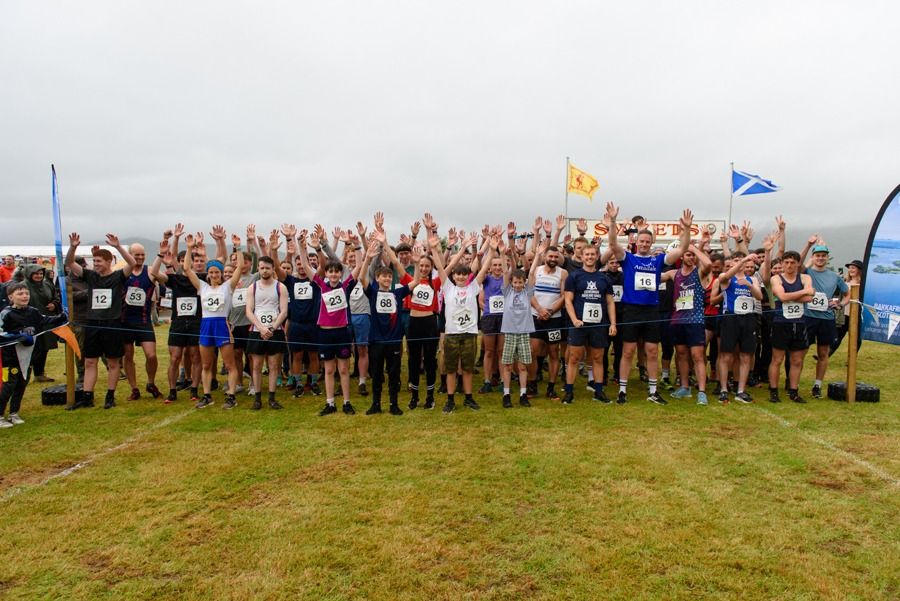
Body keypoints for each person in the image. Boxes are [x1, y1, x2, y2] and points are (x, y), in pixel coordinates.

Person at [606, 203, 693, 405]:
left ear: (651, 243)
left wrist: (687, 230)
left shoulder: (658, 260)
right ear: (636, 242)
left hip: (651, 310)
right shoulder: (628, 258)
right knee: (628, 351)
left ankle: (653, 391)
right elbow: (612, 244)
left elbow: (681, 250)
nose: (644, 244)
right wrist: (612, 221)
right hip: (631, 310)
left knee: (652, 351)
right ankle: (622, 390)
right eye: (641, 241)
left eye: (647, 242)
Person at [297, 228, 368, 416]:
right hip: (325, 333)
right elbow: (305, 265)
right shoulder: (320, 285)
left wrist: (357, 246)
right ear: (326, 273)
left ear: (340, 273)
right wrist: (301, 246)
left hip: (342, 332)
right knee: (328, 370)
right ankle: (330, 403)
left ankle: (346, 402)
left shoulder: (346, 285)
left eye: (337, 272)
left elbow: (359, 267)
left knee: (343, 369)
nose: (335, 275)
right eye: (331, 272)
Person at [64, 233, 137, 409]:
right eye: (94, 261)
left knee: (113, 362)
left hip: (112, 323)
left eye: (99, 261)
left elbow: (133, 264)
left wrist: (118, 247)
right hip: (93, 323)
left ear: (108, 262)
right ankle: (88, 396)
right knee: (90, 361)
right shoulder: (91, 276)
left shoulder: (118, 277)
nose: (95, 264)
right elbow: (70, 264)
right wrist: (73, 247)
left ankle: (110, 396)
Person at [181, 232, 245, 409]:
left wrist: (238, 247)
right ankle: (207, 395)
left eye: (217, 272)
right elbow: (187, 269)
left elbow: (239, 268)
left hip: (221, 326)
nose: (214, 274)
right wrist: (188, 248)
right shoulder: (202, 287)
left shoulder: (227, 287)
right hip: (206, 326)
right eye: (211, 272)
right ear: (207, 274)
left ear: (221, 273)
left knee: (230, 364)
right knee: (207, 364)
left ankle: (231, 396)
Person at [435, 232, 493, 413]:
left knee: (467, 368)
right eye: (457, 275)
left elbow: (483, 270)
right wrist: (458, 249)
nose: (460, 277)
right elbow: (439, 265)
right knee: (451, 369)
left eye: (463, 275)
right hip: (452, 334)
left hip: (469, 334)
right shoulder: (448, 287)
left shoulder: (473, 287)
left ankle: (469, 398)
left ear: (467, 276)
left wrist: (492, 249)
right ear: (453, 275)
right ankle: (450, 399)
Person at [0, 282, 69, 427]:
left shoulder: (32, 311)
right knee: (8, 386)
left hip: (27, 356)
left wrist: (61, 317)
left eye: (26, 293)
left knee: (21, 384)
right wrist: (19, 337)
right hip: (10, 358)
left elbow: (44, 320)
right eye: (20, 294)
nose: (24, 296)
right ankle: (0, 415)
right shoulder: (6, 314)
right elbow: (1, 334)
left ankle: (14, 413)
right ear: (11, 297)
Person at [362, 227, 412, 415]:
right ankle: (376, 404)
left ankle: (393, 404)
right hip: (376, 340)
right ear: (377, 278)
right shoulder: (373, 292)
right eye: (384, 276)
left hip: (394, 341)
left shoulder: (397, 293)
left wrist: (388, 246)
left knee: (394, 374)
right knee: (376, 374)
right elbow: (361, 278)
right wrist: (367, 258)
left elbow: (412, 282)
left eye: (389, 276)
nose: (387, 278)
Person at [150, 228, 203, 404]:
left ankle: (194, 388)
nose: (190, 263)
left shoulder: (201, 280)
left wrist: (194, 249)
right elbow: (155, 274)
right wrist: (161, 254)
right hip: (178, 324)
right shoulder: (175, 280)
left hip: (196, 324)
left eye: (195, 261)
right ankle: (172, 390)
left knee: (196, 355)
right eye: (186, 261)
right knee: (175, 357)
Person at [271, 225, 322, 398]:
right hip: (296, 324)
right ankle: (299, 383)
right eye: (298, 263)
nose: (301, 266)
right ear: (295, 265)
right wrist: (274, 249)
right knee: (297, 356)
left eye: (304, 263)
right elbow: (276, 268)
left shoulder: (315, 281)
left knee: (314, 355)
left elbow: (324, 265)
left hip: (313, 324)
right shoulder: (290, 281)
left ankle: (313, 383)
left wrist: (314, 247)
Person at [563, 243, 617, 404]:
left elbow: (610, 303)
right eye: (587, 254)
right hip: (579, 323)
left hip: (599, 324)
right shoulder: (574, 276)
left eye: (593, 254)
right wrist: (574, 320)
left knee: (598, 357)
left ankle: (598, 391)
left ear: (597, 256)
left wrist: (612, 323)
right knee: (574, 357)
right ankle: (569, 392)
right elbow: (568, 300)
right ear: (582, 256)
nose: (590, 257)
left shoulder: (604, 278)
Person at [663, 239, 712, 405]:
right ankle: (684, 387)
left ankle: (702, 391)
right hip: (677, 321)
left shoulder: (699, 272)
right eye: (688, 254)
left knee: (697, 356)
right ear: (681, 256)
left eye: (693, 255)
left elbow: (708, 264)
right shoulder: (673, 274)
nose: (691, 257)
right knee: (682, 354)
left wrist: (696, 249)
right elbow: (655, 278)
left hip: (695, 320)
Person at [800, 243, 850, 398]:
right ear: (813, 258)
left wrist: (840, 304)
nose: (820, 258)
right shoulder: (806, 272)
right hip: (808, 317)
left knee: (823, 353)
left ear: (827, 258)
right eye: (817, 256)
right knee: (801, 352)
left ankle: (817, 386)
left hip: (827, 318)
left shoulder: (835, 276)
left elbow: (847, 294)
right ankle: (793, 383)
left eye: (823, 256)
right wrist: (809, 245)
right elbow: (799, 264)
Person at [405, 213, 443, 410]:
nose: (425, 268)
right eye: (422, 266)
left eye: (428, 266)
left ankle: (430, 396)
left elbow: (445, 265)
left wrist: (433, 242)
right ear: (417, 266)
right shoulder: (410, 282)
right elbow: (396, 262)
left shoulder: (435, 281)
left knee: (429, 360)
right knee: (413, 361)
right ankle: (414, 397)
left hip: (429, 324)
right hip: (413, 324)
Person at [768, 250, 815, 403]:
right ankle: (773, 391)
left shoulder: (805, 277)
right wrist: (803, 292)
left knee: (797, 360)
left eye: (792, 262)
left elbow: (809, 298)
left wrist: (794, 296)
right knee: (777, 359)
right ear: (782, 264)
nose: (789, 265)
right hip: (781, 322)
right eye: (786, 262)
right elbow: (781, 297)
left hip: (799, 323)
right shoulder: (776, 278)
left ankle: (794, 391)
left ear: (798, 264)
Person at [500, 236, 542, 407]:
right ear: (511, 283)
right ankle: (507, 394)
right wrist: (504, 255)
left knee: (523, 366)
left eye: (520, 282)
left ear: (524, 283)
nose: (518, 285)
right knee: (508, 366)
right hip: (509, 333)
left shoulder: (528, 292)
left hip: (524, 333)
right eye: (515, 282)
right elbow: (505, 272)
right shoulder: (507, 291)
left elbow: (531, 273)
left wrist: (538, 255)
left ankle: (523, 394)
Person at [716, 253, 763, 403]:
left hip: (748, 318)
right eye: (737, 261)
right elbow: (723, 279)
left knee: (745, 355)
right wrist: (742, 261)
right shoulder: (727, 277)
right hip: (731, 317)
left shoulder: (753, 278)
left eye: (745, 261)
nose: (742, 263)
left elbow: (759, 296)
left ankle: (741, 390)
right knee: (726, 355)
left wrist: (749, 285)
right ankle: (723, 389)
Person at [245, 251, 289, 410]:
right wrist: (261, 328)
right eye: (262, 268)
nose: (264, 271)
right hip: (257, 331)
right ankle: (257, 398)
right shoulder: (253, 288)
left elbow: (284, 311)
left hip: (274, 331)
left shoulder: (281, 287)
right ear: (258, 269)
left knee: (273, 366)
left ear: (272, 269)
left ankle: (272, 398)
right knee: (256, 365)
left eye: (267, 268)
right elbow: (249, 311)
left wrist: (271, 328)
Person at [121, 242, 163, 401]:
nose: (139, 257)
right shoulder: (123, 273)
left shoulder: (150, 271)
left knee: (151, 355)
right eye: (136, 254)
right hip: (125, 321)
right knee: (128, 355)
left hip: (143, 320)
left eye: (142, 254)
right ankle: (134, 388)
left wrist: (160, 255)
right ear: (129, 255)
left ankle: (150, 383)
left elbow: (160, 274)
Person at [529, 242, 568, 401]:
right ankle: (532, 385)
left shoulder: (563, 273)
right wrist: (539, 309)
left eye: (556, 256)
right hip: (535, 317)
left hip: (554, 319)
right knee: (533, 351)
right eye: (550, 256)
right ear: (545, 257)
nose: (553, 259)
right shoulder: (536, 271)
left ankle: (551, 387)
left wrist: (550, 311)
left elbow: (564, 296)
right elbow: (529, 292)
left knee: (553, 352)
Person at [21, 263, 61, 383]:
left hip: (46, 321)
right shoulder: (22, 286)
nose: (39, 276)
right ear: (29, 274)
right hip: (29, 322)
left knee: (44, 348)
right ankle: (24, 375)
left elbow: (56, 297)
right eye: (36, 274)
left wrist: (54, 304)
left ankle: (39, 374)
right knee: (31, 349)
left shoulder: (47, 285)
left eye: (41, 274)